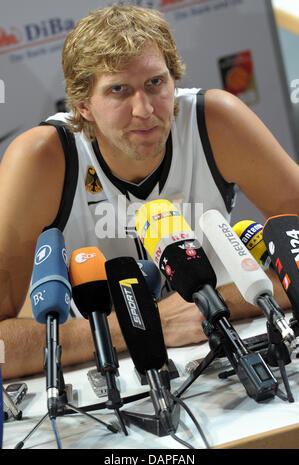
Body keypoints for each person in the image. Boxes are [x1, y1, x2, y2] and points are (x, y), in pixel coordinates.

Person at [0, 4, 298, 380]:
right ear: (83, 105)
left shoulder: (216, 120)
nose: (144, 110)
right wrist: (143, 325)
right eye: (119, 90)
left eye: (155, 83)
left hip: (230, 345)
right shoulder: (42, 157)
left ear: (174, 80)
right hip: (107, 370)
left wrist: (219, 305)